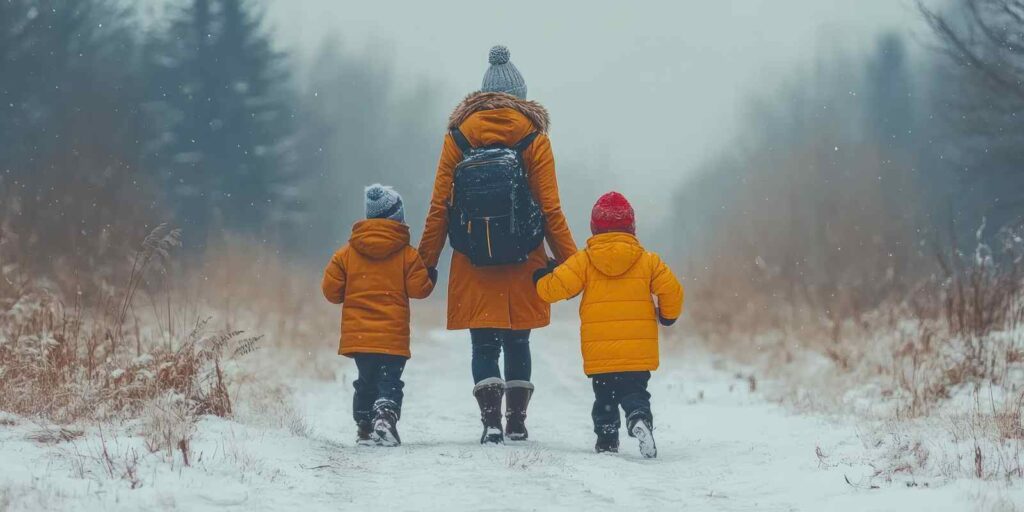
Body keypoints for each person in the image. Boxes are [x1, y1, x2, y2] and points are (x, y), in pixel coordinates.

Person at [418, 45, 577, 444]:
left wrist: (426, 262)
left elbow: (439, 205)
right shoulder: (534, 139)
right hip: (524, 257)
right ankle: (517, 422)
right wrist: (572, 262)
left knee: (483, 341)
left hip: (473, 258)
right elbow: (550, 207)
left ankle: (490, 422)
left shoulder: (458, 135)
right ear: (521, 97)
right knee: (518, 339)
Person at [534, 191, 684, 458]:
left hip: (600, 351)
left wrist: (541, 277)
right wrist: (667, 315)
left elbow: (554, 289)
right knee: (635, 392)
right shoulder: (648, 261)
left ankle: (606, 440)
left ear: (594, 227)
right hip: (637, 352)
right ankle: (639, 418)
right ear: (631, 227)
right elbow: (672, 290)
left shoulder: (584, 260)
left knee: (604, 399)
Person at [322, 184, 436, 447]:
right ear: (397, 217)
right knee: (390, 381)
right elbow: (420, 290)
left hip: (359, 337)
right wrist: (430, 277)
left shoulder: (346, 254)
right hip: (393, 337)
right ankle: (384, 418)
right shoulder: (407, 255)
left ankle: (364, 426)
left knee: (366, 381)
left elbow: (331, 292)